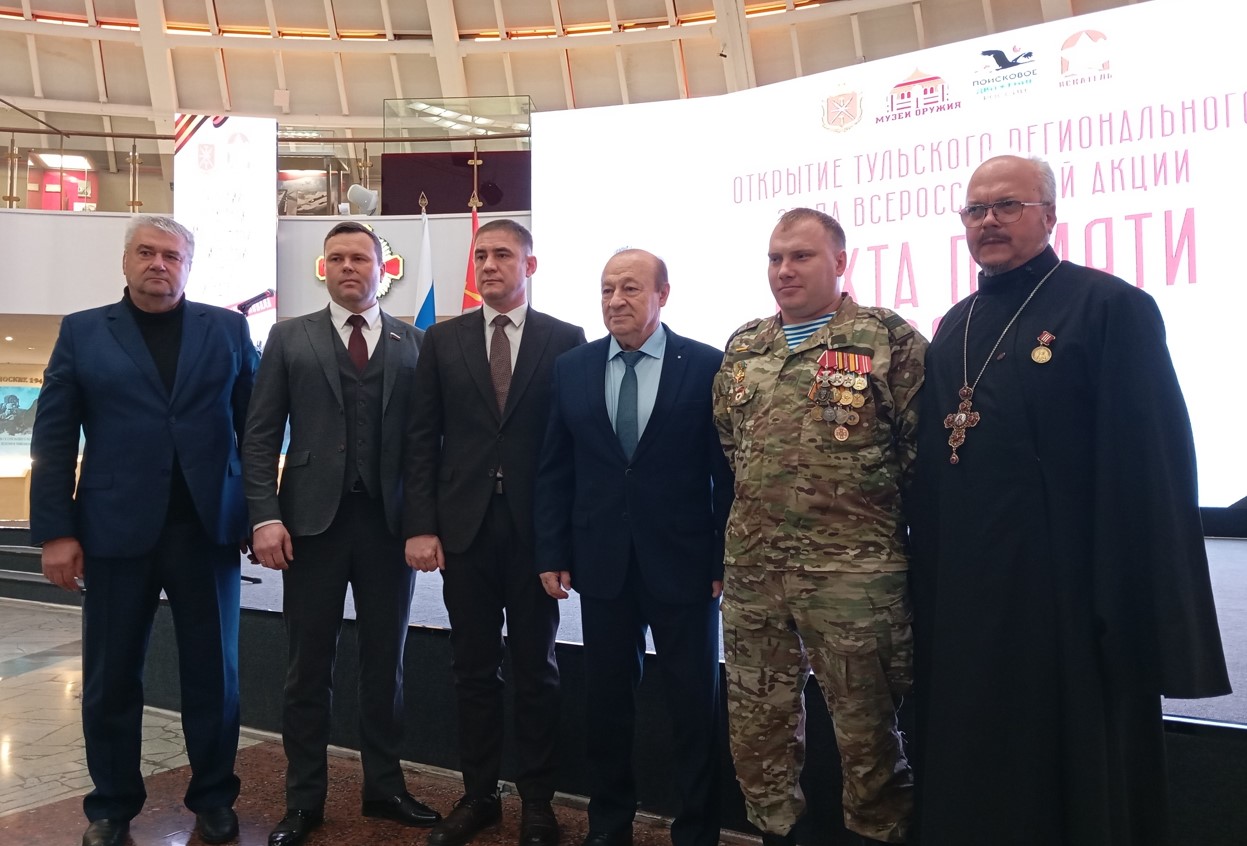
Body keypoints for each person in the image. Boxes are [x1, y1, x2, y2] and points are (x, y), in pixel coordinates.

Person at [908, 154, 1230, 846]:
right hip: (968, 601)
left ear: (1049, 215)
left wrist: (1130, 601)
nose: (989, 221)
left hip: (1069, 598)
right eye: (976, 210)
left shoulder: (1108, 307)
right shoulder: (952, 325)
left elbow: (1149, 463)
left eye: (1008, 206)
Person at [29, 215, 258, 846]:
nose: (160, 264)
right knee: (111, 676)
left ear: (189, 265)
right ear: (126, 261)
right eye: (147, 252)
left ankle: (214, 796)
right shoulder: (82, 332)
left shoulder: (227, 330)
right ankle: (111, 807)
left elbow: (258, 429)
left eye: (172, 255)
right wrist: (55, 531)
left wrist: (257, 511)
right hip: (112, 532)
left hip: (207, 530)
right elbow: (54, 436)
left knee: (214, 674)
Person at [713, 208, 924, 846]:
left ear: (839, 262)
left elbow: (917, 454)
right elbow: (732, 445)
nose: (785, 270)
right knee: (758, 730)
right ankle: (780, 834)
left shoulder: (885, 338)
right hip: (755, 574)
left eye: (801, 256)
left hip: (853, 577)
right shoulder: (745, 345)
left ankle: (876, 834)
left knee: (867, 734)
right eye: (776, 258)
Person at [243, 221, 439, 846]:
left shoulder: (415, 342)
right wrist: (264, 515)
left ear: (383, 269)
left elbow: (425, 446)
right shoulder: (288, 337)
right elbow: (260, 436)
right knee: (307, 668)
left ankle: (384, 787)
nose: (348, 266)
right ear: (323, 268)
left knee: (386, 664)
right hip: (310, 527)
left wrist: (424, 523)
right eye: (337, 258)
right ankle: (304, 801)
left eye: (360, 257)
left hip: (388, 528)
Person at [533, 249, 732, 846]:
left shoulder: (707, 366)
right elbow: (555, 469)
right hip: (602, 567)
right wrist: (552, 551)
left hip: (685, 567)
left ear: (662, 295)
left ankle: (696, 830)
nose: (615, 300)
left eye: (630, 288)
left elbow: (726, 475)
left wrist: (721, 558)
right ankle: (609, 824)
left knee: (693, 706)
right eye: (606, 289)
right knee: (607, 706)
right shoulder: (572, 368)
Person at [406, 219, 586, 846]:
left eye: (502, 255)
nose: (488, 265)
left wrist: (567, 538)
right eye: (481, 255)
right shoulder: (442, 339)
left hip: (536, 533)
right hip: (465, 530)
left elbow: (571, 446)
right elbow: (421, 438)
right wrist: (421, 525)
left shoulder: (565, 339)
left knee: (537, 670)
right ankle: (479, 796)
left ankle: (538, 803)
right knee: (473, 670)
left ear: (529, 266)